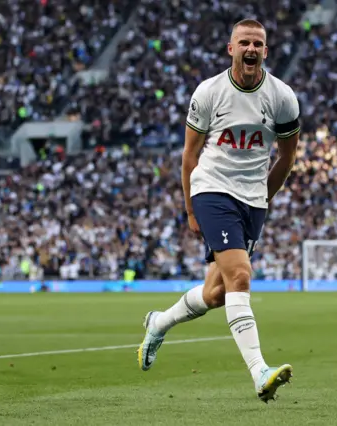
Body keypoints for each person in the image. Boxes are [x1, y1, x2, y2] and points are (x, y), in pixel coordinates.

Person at [137, 19, 301, 402]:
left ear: (265, 50)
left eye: (258, 43)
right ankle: (260, 372)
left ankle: (159, 322)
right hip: (212, 191)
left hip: (252, 200)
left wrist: (264, 197)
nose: (251, 49)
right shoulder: (209, 92)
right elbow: (189, 156)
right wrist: (191, 209)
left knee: (217, 294)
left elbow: (287, 156)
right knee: (241, 276)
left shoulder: (282, 97)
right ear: (231, 49)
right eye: (244, 42)